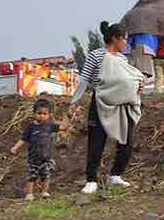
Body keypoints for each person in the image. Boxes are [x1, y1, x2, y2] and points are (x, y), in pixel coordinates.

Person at [70, 21, 145, 194]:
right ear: (115, 39)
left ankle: (115, 176)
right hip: (100, 102)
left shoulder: (122, 59)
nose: (125, 43)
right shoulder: (95, 56)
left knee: (126, 143)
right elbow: (84, 80)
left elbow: (130, 78)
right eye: (124, 39)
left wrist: (138, 86)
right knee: (96, 143)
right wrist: (74, 102)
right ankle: (91, 180)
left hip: (122, 105)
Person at [10, 99, 60, 200]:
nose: (41, 115)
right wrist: (15, 147)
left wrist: (69, 116)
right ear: (34, 113)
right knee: (31, 177)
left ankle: (44, 192)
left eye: (44, 113)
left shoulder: (50, 126)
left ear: (49, 114)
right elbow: (23, 139)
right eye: (39, 113)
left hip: (46, 158)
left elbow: (63, 126)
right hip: (33, 158)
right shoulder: (30, 127)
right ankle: (29, 194)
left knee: (46, 176)